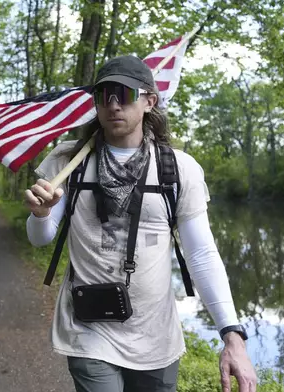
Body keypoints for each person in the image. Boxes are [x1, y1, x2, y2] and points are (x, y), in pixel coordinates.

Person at [24, 56, 257, 392]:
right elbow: (40, 239)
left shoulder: (178, 168)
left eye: (125, 93)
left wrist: (231, 334)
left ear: (150, 101)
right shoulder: (67, 161)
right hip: (88, 329)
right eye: (104, 95)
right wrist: (41, 213)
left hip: (155, 336)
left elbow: (202, 253)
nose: (114, 104)